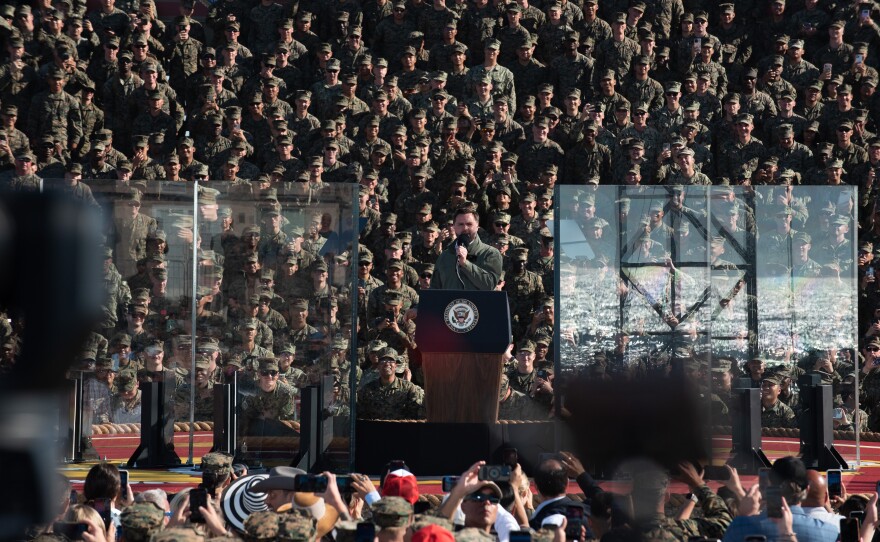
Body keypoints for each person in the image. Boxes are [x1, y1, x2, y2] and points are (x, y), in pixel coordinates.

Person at [722, 456, 839, 541]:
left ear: (768, 485)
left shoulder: (740, 527)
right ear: (806, 490)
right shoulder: (830, 532)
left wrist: (744, 517)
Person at [431, 205, 503, 290]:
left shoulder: (490, 254)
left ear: (477, 226)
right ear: (454, 226)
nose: (465, 228)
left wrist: (465, 264)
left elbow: (489, 285)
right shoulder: (445, 256)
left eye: (469, 224)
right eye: (460, 224)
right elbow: (434, 290)